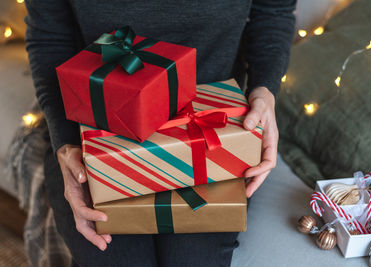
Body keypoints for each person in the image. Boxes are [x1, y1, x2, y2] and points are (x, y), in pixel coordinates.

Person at [25, 0, 296, 266]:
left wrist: (265, 89)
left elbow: (272, 12)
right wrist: (65, 143)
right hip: (94, 129)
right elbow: (50, 37)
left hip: (211, 131)